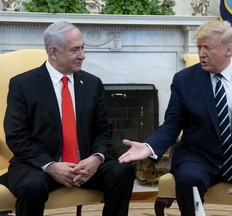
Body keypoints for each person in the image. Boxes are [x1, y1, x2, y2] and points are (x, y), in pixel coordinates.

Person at [119, 20, 232, 216]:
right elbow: (173, 123)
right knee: (188, 180)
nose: (200, 54)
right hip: (199, 155)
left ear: (229, 49)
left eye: (207, 48)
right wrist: (149, 147)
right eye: (199, 47)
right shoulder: (184, 80)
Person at [2, 21, 135, 216]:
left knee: (123, 172)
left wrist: (96, 159)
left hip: (85, 166)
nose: (82, 55)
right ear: (53, 52)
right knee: (32, 185)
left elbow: (104, 130)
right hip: (39, 166)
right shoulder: (23, 85)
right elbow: (17, 136)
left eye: (83, 47)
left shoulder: (92, 83)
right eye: (75, 50)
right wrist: (50, 166)